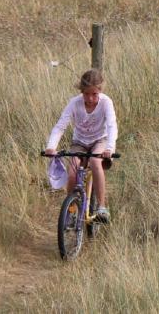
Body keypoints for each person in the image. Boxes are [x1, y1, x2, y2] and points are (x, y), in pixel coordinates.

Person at [45, 69, 118, 223]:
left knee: (95, 162)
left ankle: (102, 207)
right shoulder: (74, 103)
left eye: (94, 94)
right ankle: (71, 211)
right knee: (72, 173)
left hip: (100, 140)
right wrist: (51, 147)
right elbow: (60, 126)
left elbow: (112, 126)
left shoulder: (106, 102)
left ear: (100, 91)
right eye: (86, 94)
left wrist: (109, 149)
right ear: (81, 91)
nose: (90, 98)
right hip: (79, 142)